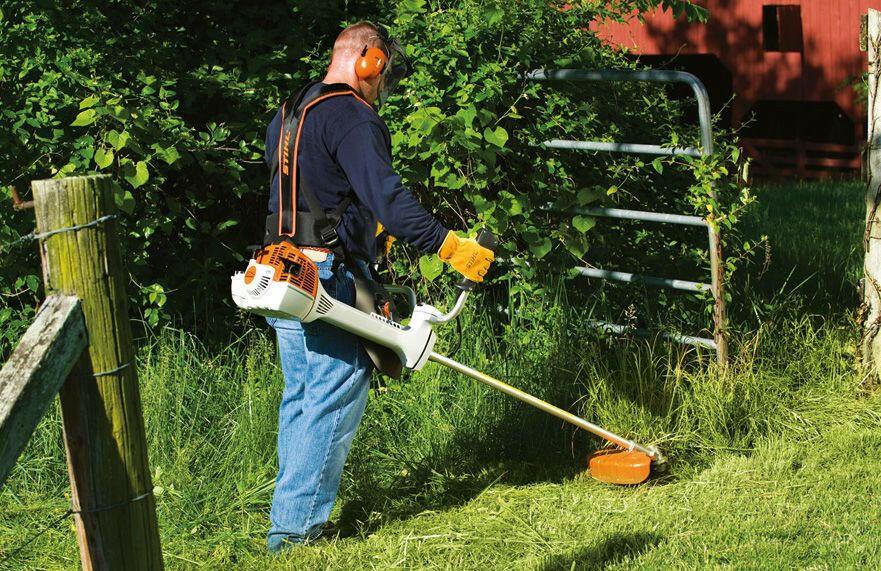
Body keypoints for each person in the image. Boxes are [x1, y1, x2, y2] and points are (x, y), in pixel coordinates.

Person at [261, 21, 495, 552]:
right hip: (323, 275)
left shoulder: (290, 112)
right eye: (383, 74)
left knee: (301, 397)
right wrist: (450, 246)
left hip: (279, 266)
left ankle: (287, 523)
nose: (382, 87)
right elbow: (388, 196)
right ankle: (295, 539)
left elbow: (313, 191)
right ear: (370, 60)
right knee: (333, 395)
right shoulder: (353, 115)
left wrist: (368, 230)